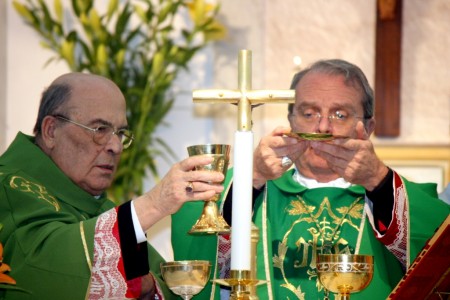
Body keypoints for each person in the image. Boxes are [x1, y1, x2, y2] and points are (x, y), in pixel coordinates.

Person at [171, 59, 450, 299]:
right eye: (309, 113)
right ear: (291, 120)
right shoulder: (255, 185)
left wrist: (377, 179)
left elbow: (440, 251)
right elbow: (194, 252)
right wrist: (252, 177)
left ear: (368, 126)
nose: (323, 127)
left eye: (340, 114)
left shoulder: (388, 194)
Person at [0, 72, 225, 299]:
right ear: (51, 131)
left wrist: (147, 286)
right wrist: (155, 203)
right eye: (99, 129)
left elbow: (158, 282)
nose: (116, 146)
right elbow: (44, 269)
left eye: (120, 133)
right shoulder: (9, 188)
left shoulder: (95, 205)